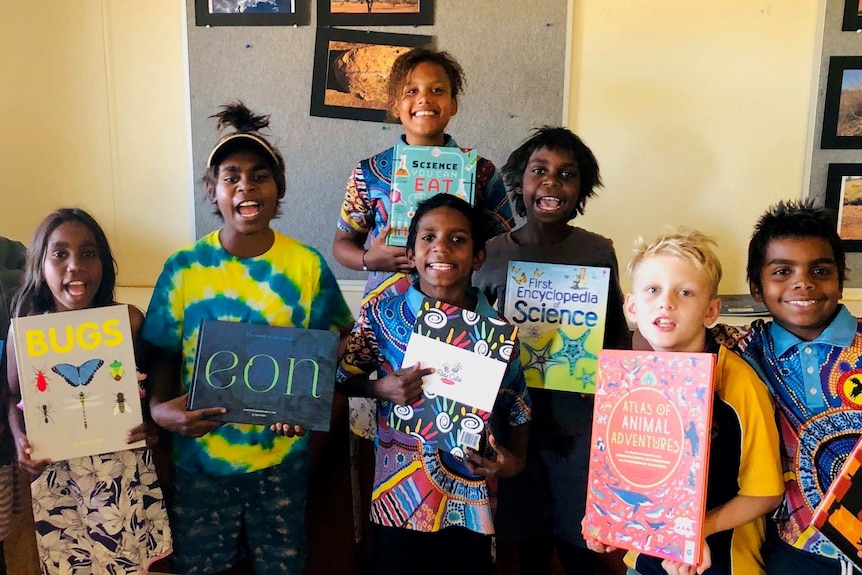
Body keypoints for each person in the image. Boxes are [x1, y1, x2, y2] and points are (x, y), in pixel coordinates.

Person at [141, 102, 354, 575]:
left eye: (259, 175)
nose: (245, 187)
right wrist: (159, 409)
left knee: (282, 567)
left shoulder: (308, 266)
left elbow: (334, 345)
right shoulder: (184, 269)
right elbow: (161, 352)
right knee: (200, 568)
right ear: (212, 192)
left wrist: (306, 406)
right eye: (230, 176)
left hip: (281, 462)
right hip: (201, 461)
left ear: (278, 191)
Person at [336, 194, 531, 575]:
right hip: (398, 500)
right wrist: (380, 389)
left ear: (477, 257)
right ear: (412, 252)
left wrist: (513, 463)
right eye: (428, 237)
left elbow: (519, 407)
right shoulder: (381, 315)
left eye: (458, 239)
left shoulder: (499, 333)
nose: (441, 246)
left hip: (470, 505)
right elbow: (344, 381)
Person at [471, 126, 629, 574]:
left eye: (567, 174)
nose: (552, 183)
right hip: (512, 416)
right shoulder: (490, 254)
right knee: (525, 538)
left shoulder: (598, 251)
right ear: (520, 182)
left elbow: (615, 336)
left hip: (579, 420)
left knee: (581, 536)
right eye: (539, 171)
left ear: (581, 189)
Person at [586, 227, 784, 575]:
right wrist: (610, 517)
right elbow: (626, 474)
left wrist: (691, 533)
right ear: (632, 306)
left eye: (685, 292)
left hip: (724, 559)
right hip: (646, 557)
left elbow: (767, 493)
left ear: (711, 311)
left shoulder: (738, 382)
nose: (666, 302)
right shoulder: (627, 379)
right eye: (652, 290)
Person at [5, 208, 171, 574]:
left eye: (88, 253)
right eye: (60, 254)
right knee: (72, 562)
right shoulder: (27, 333)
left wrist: (150, 423)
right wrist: (20, 441)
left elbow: (151, 373)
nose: (75, 265)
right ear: (41, 264)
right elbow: (14, 400)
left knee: (126, 559)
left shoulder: (126, 321)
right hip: (59, 476)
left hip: (119, 472)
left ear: (103, 263)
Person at [711, 200, 862, 575]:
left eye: (821, 270)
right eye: (782, 271)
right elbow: (662, 337)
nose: (803, 283)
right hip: (794, 546)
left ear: (841, 280)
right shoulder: (741, 348)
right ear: (757, 289)